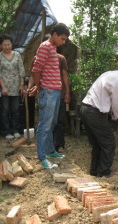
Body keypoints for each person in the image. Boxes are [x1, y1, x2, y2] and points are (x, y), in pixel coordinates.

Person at [80, 62, 118, 177]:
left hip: (85, 108)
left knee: (97, 144)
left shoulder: (109, 74)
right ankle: (104, 172)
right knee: (109, 143)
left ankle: (95, 171)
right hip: (95, 112)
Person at [32, 23, 70, 169]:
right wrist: (39, 87)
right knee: (44, 126)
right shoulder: (45, 47)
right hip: (47, 92)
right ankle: (42, 157)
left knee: (52, 123)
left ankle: (50, 151)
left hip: (54, 92)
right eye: (62, 38)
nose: (63, 41)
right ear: (54, 35)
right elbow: (36, 69)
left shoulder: (53, 48)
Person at [0, 34, 25, 139]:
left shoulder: (17, 55)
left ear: (12, 44)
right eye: (5, 45)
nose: (7, 46)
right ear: (1, 45)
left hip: (16, 87)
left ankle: (15, 130)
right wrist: (3, 87)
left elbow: (21, 70)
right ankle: (6, 131)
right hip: (4, 88)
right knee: (5, 110)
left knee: (15, 109)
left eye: (9, 44)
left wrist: (22, 85)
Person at [54, 52, 70, 152]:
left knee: (60, 120)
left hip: (60, 94)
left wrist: (67, 92)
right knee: (49, 122)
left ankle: (60, 144)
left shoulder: (61, 58)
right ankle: (50, 145)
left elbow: (65, 75)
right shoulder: (40, 58)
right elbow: (34, 75)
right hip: (47, 95)